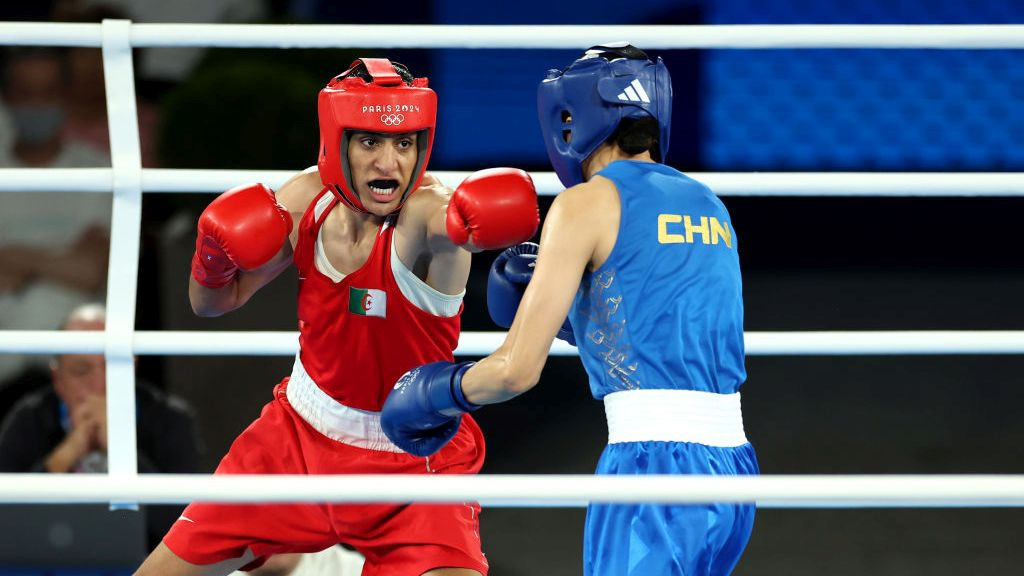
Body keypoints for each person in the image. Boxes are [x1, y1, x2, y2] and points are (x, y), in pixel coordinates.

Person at [135, 58, 539, 575]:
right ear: (337, 142)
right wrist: (213, 258)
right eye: (370, 142)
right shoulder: (304, 203)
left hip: (414, 456)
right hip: (297, 438)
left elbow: (452, 221)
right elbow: (211, 303)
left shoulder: (426, 216)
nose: (389, 163)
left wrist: (487, 224)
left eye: (404, 143)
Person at [381, 43, 759, 576]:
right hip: (733, 468)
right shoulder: (708, 204)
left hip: (653, 467)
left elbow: (515, 371)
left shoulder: (584, 203)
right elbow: (655, 337)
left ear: (570, 118)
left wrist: (437, 393)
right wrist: (566, 317)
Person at [0, 302, 204, 548]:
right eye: (81, 370)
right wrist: (64, 456)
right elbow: (8, 528)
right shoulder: (29, 418)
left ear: (133, 368)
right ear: (58, 380)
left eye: (113, 365)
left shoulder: (172, 419)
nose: (101, 385)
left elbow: (191, 528)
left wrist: (121, 451)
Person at [0, 46, 111, 386]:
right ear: (6, 98)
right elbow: (75, 267)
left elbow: (90, 271)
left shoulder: (98, 170)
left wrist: (15, 257)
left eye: (48, 93)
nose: (37, 105)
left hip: (75, 365)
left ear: (66, 97)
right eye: (26, 93)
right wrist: (59, 260)